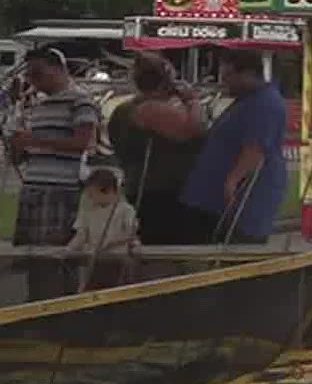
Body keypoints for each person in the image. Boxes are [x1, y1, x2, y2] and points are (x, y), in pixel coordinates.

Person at [181, 50, 288, 245]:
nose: (225, 82)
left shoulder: (265, 104)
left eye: (228, 76)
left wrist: (233, 181)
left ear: (247, 74)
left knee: (236, 251)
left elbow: (255, 148)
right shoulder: (247, 101)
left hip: (244, 204)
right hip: (219, 201)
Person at [106, 53, 207, 244]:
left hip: (141, 187)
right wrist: (192, 101)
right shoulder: (150, 109)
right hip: (161, 192)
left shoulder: (124, 109)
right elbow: (193, 130)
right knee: (165, 248)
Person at [8, 48, 101, 248]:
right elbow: (26, 153)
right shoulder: (38, 106)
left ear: (59, 69)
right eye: (29, 74)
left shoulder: (80, 102)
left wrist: (34, 140)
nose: (33, 79)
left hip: (60, 191)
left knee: (54, 258)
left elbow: (83, 143)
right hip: (33, 188)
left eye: (38, 72)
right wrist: (17, 146)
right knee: (31, 257)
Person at [67, 165, 139, 258]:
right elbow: (81, 235)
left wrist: (108, 243)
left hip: (117, 258)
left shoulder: (125, 210)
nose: (90, 197)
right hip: (93, 257)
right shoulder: (90, 211)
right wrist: (68, 250)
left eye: (93, 194)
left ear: (108, 191)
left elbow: (130, 233)